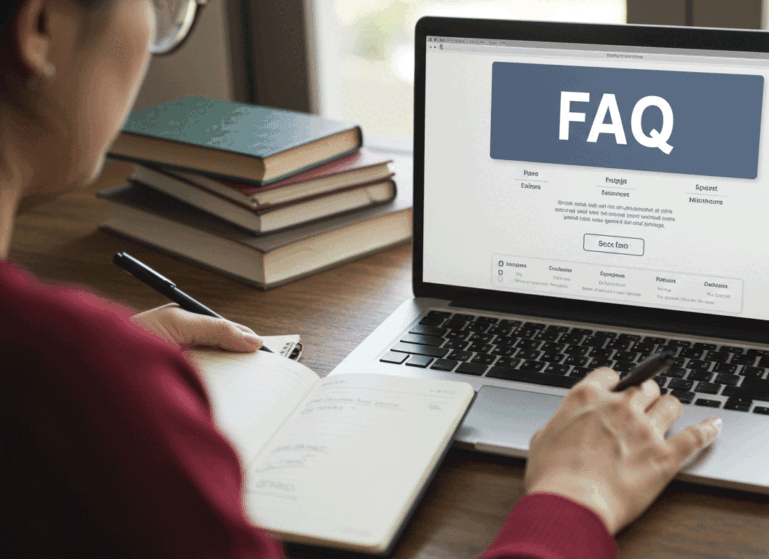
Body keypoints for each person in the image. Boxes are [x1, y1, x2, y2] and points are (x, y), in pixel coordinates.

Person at [0, 1, 723, 557]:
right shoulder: (73, 375)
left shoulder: (57, 366)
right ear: (40, 28)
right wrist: (575, 496)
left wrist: (81, 368)